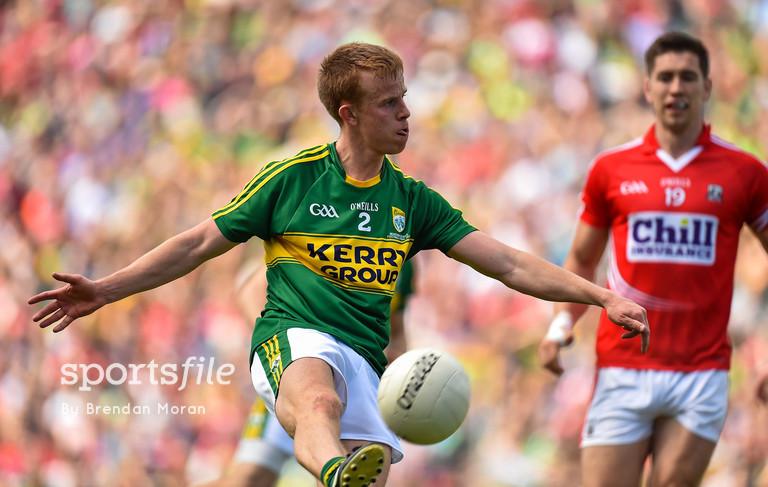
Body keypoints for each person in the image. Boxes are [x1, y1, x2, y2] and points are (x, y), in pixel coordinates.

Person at [29, 42, 649, 487]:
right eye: (388, 103)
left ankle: (340, 470)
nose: (406, 113)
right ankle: (333, 471)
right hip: (293, 339)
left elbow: (508, 263)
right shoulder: (292, 180)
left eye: (404, 99)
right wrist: (107, 289)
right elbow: (196, 245)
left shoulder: (413, 201)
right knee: (315, 407)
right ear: (348, 113)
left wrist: (601, 297)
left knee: (343, 429)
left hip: (368, 362)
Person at [537, 32, 768, 487]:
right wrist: (561, 324)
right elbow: (582, 258)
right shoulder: (611, 169)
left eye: (687, 77)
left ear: (707, 86)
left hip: (700, 371)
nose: (675, 88)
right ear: (647, 87)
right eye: (665, 77)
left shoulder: (745, 173)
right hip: (623, 367)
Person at [204, 260, 416, 487]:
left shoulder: (405, 263)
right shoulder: (329, 239)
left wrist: (401, 369)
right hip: (302, 372)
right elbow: (252, 291)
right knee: (250, 478)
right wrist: (280, 348)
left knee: (347, 473)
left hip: (356, 381)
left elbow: (396, 328)